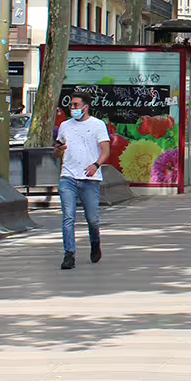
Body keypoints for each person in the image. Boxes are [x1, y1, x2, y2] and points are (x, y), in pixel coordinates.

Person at [53, 90, 111, 270]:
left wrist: (95, 165)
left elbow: (106, 151)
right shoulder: (64, 126)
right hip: (68, 177)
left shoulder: (98, 125)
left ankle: (95, 242)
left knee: (92, 218)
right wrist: (59, 150)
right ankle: (69, 254)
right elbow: (56, 151)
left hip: (89, 179)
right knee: (68, 217)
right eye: (71, 105)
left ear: (86, 107)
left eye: (75, 105)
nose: (72, 108)